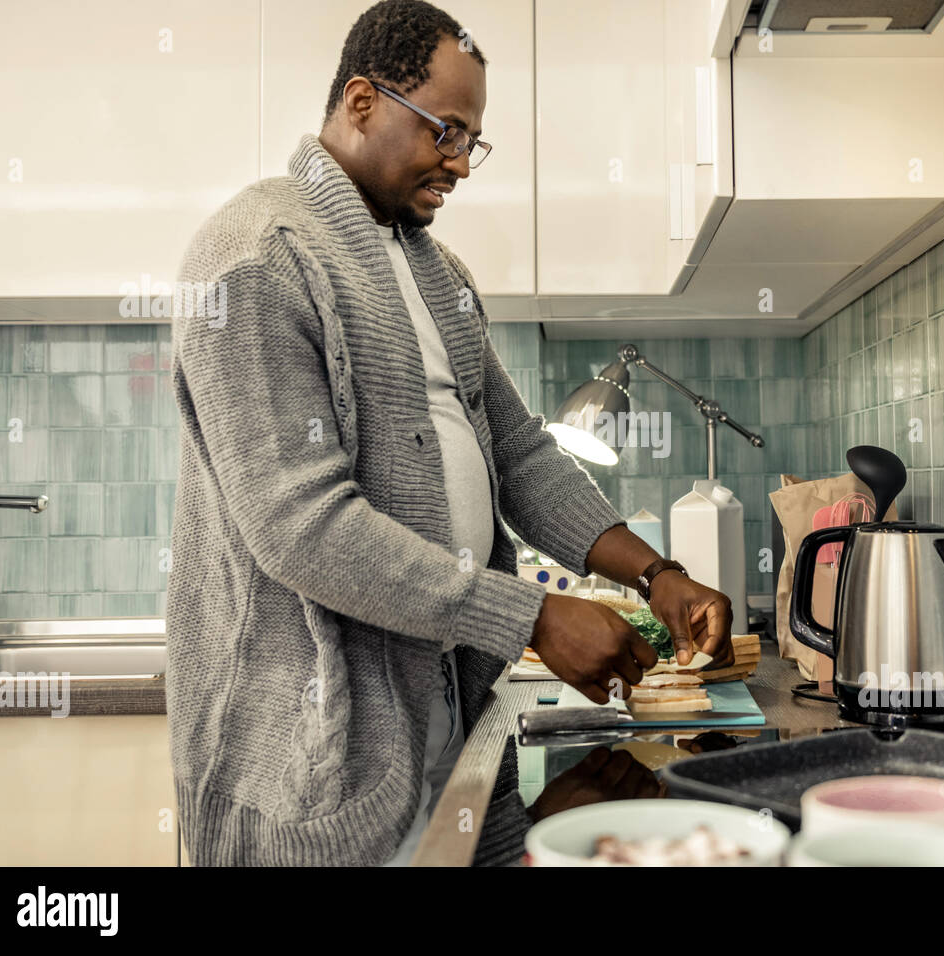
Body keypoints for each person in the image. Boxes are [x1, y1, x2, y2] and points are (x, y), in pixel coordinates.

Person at [165, 0, 733, 867]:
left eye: (474, 140)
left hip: (444, 722)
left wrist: (656, 574)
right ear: (361, 101)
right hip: (311, 769)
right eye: (447, 131)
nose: (461, 164)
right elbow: (301, 527)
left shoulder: (439, 273)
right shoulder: (256, 257)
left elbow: (520, 452)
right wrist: (531, 616)